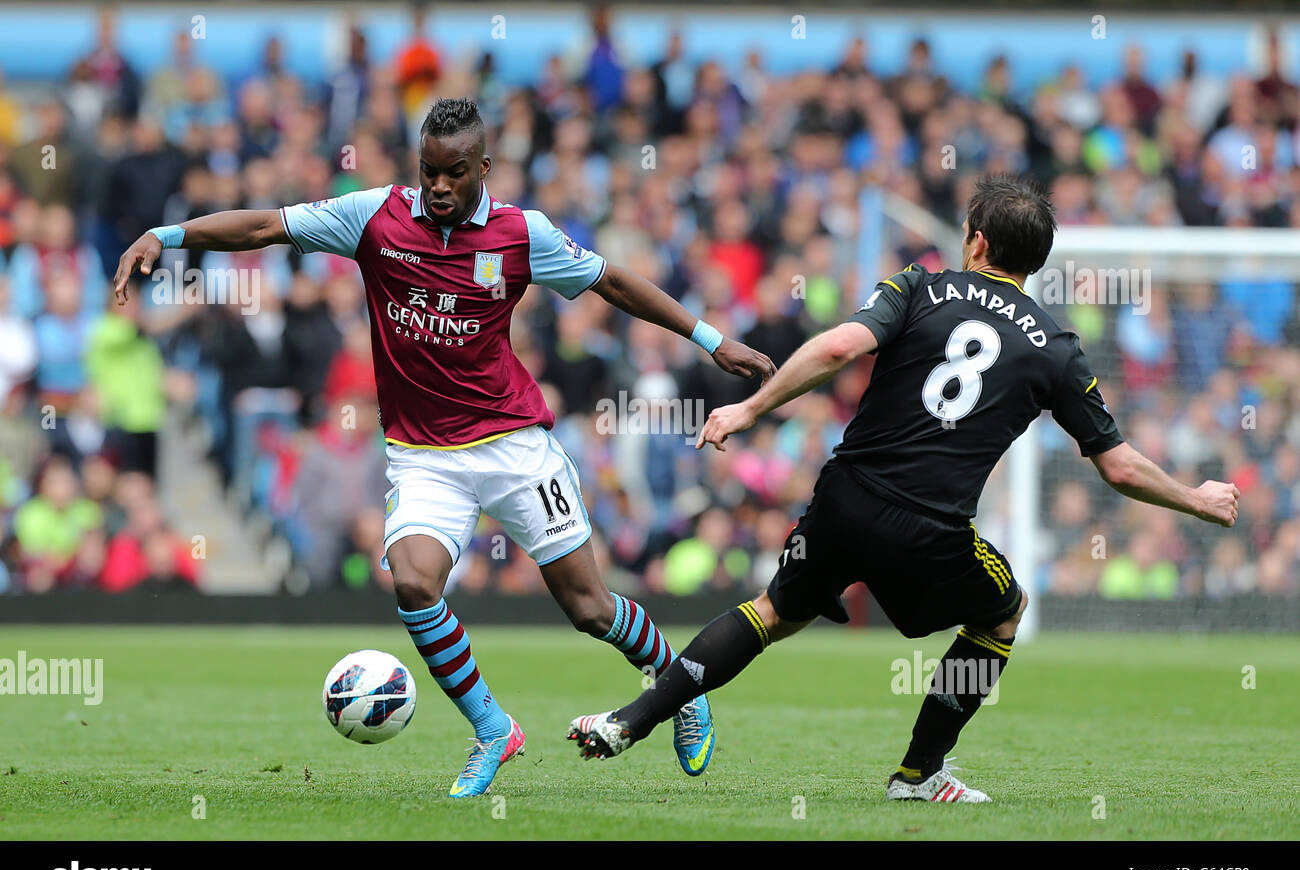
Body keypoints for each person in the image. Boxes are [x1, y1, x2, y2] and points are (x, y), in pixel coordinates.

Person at [114, 97, 773, 798]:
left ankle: (682, 688)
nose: (437, 186)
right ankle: (493, 728)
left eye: (453, 173)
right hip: (424, 454)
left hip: (516, 445)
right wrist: (171, 233)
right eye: (427, 170)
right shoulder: (374, 216)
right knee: (412, 582)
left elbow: (611, 281)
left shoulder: (523, 234)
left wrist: (712, 340)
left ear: (482, 168)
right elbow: (267, 225)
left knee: (590, 608)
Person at [567, 174, 1240, 803]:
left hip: (846, 496)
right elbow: (1116, 465)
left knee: (774, 612)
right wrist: (1196, 498)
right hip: (929, 529)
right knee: (1003, 611)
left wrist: (749, 409)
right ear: (1034, 262)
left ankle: (631, 718)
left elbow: (836, 349)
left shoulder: (920, 285)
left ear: (975, 240)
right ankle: (919, 773)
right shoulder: (1056, 347)